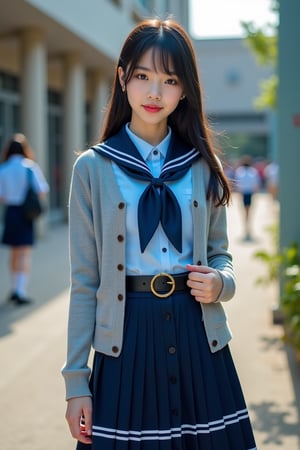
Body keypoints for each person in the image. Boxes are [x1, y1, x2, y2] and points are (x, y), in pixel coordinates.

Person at [62, 18, 257, 450]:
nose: (155, 93)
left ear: (185, 89)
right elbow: (85, 281)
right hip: (126, 340)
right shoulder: (93, 169)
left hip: (197, 336)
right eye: (143, 76)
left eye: (170, 80)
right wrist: (76, 381)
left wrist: (221, 283)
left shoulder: (203, 167)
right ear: (122, 77)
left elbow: (220, 254)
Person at [0, 133, 49, 305]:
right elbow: (42, 190)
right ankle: (21, 291)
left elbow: (2, 196)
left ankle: (14, 289)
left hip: (11, 212)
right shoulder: (30, 167)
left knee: (13, 253)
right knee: (24, 253)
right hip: (25, 214)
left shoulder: (3, 168)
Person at [235, 155, 260, 240]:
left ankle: (246, 226)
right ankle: (247, 226)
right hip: (249, 193)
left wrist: (239, 194)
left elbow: (238, 184)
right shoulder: (253, 171)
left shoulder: (239, 171)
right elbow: (256, 184)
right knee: (249, 211)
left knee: (244, 211)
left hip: (243, 193)